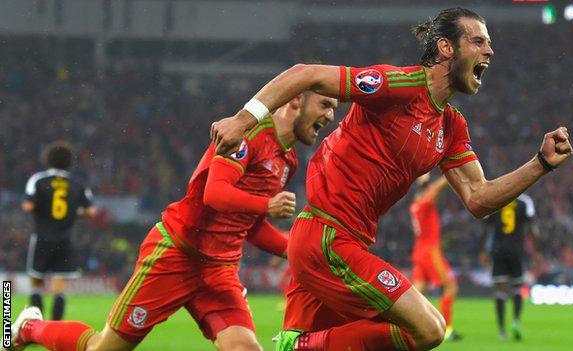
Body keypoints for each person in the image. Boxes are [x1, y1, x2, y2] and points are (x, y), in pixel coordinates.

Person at [211, 7, 573, 351]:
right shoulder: (397, 85)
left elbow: (479, 198)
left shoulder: (451, 126)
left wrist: (540, 163)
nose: (490, 50)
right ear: (446, 48)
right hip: (327, 238)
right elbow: (306, 73)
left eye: (488, 42)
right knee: (429, 329)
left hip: (344, 244)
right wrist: (243, 122)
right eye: (478, 41)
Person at [7, 91, 337, 351]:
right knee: (103, 347)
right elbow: (215, 193)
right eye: (324, 104)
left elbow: (250, 225)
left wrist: (297, 249)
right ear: (295, 99)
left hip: (218, 270)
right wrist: (266, 204)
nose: (330, 115)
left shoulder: (288, 160)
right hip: (175, 254)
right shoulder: (244, 134)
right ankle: (28, 328)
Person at [21, 141, 97, 321]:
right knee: (59, 288)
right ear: (70, 161)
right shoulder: (77, 183)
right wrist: (74, 211)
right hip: (65, 240)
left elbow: (27, 205)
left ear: (48, 160)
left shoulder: (38, 180)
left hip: (42, 238)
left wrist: (43, 208)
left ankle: (36, 327)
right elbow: (91, 210)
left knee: (36, 283)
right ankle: (55, 334)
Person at [409, 174, 461, 341]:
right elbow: (435, 189)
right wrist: (449, 174)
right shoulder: (424, 204)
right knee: (451, 287)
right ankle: (446, 329)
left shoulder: (415, 205)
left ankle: (405, 326)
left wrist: (423, 181)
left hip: (419, 251)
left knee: (416, 293)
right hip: (430, 252)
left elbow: (429, 189)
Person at [480, 193, 535, 341]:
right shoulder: (525, 201)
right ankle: (516, 321)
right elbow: (531, 229)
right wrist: (536, 251)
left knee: (500, 290)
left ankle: (502, 331)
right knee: (518, 287)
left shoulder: (496, 198)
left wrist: (483, 250)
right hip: (517, 250)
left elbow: (487, 228)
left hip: (498, 250)